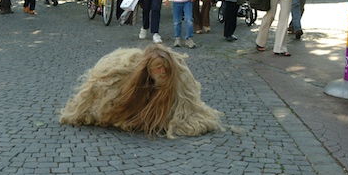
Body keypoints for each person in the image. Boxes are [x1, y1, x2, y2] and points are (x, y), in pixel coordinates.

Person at [60, 44, 230, 139]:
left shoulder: (179, 82)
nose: (162, 73)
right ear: (148, 70)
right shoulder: (126, 78)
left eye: (165, 69)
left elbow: (190, 106)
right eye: (157, 69)